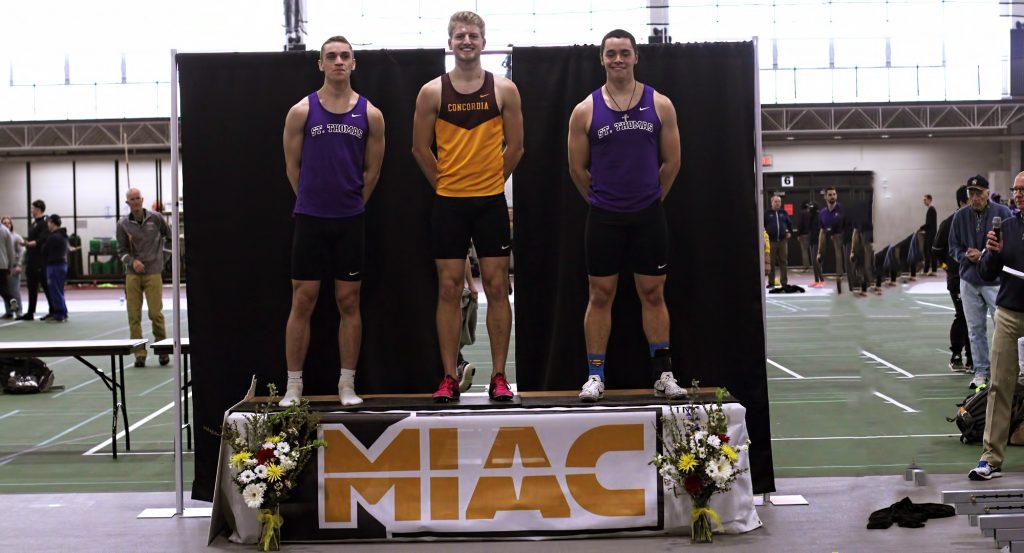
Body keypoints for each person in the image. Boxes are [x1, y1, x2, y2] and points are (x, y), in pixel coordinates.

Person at [566, 29, 684, 403]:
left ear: (636, 57)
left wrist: (650, 199)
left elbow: (672, 162)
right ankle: (595, 375)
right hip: (603, 218)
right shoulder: (585, 110)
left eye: (625, 53)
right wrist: (605, 201)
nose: (618, 59)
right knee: (600, 295)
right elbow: (577, 170)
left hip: (648, 216)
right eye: (611, 53)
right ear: (601, 59)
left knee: (653, 293)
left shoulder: (660, 104)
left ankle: (663, 374)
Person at [412, 11, 523, 403]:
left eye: (473, 35)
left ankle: (498, 377)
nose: (466, 41)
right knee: (447, 289)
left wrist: (491, 182)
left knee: (496, 286)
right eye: (459, 35)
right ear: (450, 42)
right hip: (449, 205)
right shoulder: (432, 92)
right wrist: (445, 184)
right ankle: (448, 376)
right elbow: (419, 149)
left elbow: (517, 147)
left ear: (483, 41)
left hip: (490, 204)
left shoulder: (504, 89)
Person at [280, 36, 385, 407]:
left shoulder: (371, 114)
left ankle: (347, 384)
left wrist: (350, 203)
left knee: (349, 301)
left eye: (345, 56)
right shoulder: (301, 112)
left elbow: (372, 172)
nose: (339, 61)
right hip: (310, 219)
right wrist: (311, 199)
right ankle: (294, 385)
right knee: (303, 300)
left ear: (354, 63)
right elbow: (292, 167)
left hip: (350, 221)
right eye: (331, 56)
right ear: (320, 64)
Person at [968, 171, 1024, 480]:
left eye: (1023, 189)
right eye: (1015, 190)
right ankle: (991, 458)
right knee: (1000, 386)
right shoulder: (1006, 228)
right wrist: (991, 253)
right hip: (1009, 315)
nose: (1018, 195)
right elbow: (989, 274)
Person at [949, 174, 1013, 390]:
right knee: (975, 329)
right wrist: (965, 255)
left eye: (978, 193)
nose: (974, 198)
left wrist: (985, 254)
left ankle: (1006, 370)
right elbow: (953, 247)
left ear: (987, 193)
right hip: (969, 281)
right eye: (971, 194)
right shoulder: (960, 216)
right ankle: (981, 372)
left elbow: (1009, 245)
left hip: (995, 282)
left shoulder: (1003, 214)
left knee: (1003, 328)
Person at [116, 188, 173, 365]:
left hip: (154, 273)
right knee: (134, 316)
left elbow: (170, 239)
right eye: (131, 199)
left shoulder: (156, 218)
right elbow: (121, 251)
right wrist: (132, 262)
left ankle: (163, 351)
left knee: (156, 314)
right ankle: (139, 354)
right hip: (132, 275)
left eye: (138, 198)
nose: (135, 202)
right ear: (128, 203)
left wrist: (162, 259)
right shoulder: (123, 224)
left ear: (142, 199)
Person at [934, 185, 973, 374]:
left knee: (974, 319)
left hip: (975, 279)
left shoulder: (976, 221)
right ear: (961, 202)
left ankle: (973, 359)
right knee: (963, 316)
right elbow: (936, 250)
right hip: (957, 279)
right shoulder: (949, 223)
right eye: (970, 197)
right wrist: (946, 267)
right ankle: (957, 355)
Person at [18, 200, 52, 320]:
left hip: (40, 260)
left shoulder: (44, 223)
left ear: (38, 209)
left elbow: (42, 239)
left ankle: (53, 310)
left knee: (45, 286)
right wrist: (26, 243)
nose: (31, 210)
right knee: (31, 286)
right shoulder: (34, 223)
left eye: (32, 208)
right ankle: (30, 312)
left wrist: (28, 243)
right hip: (32, 259)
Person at [816, 187, 850, 294]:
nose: (832, 197)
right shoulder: (822, 213)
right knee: (827, 264)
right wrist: (819, 251)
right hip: (827, 240)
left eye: (834, 194)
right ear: (825, 196)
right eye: (830, 195)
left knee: (841, 262)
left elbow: (848, 227)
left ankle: (844, 281)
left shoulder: (842, 210)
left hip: (841, 240)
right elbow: (821, 231)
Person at [40, 214, 69, 323]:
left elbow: (44, 250)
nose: (48, 224)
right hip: (62, 264)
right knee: (59, 290)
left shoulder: (53, 237)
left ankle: (59, 314)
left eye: (48, 222)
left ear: (52, 222)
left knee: (55, 291)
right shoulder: (63, 235)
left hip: (54, 265)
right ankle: (63, 312)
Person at [764, 195, 792, 288]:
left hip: (782, 241)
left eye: (779, 201)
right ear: (772, 202)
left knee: (783, 261)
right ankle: (771, 282)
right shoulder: (767, 213)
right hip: (771, 241)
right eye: (776, 201)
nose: (777, 203)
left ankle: (784, 283)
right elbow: (762, 225)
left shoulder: (783, 213)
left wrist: (789, 232)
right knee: (771, 262)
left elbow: (789, 224)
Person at [797, 201, 824, 287]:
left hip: (817, 241)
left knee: (816, 261)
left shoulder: (818, 216)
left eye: (810, 208)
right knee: (813, 261)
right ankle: (816, 280)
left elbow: (819, 230)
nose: (808, 209)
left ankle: (822, 280)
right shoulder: (812, 216)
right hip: (812, 240)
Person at [1, 217, 23, 318]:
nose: (6, 225)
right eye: (4, 223)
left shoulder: (14, 236)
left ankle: (17, 310)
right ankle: (10, 311)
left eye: (8, 223)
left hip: (7, 265)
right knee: (5, 290)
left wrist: (16, 264)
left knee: (11, 290)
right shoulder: (5, 232)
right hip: (5, 265)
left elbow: (16, 252)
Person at [921, 194, 938, 275]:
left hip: (930, 235)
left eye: (925, 200)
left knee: (929, 252)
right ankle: (927, 270)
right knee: (927, 252)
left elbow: (929, 224)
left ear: (929, 200)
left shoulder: (931, 210)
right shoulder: (931, 209)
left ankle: (931, 270)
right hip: (929, 234)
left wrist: (922, 228)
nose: (923, 201)